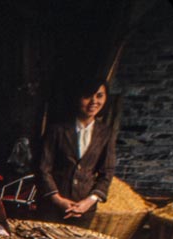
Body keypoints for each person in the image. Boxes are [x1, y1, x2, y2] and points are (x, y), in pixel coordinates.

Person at [37, 78, 116, 227]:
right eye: (88, 96)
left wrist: (89, 201)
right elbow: (43, 168)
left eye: (99, 96)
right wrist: (57, 198)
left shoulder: (106, 133)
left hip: (83, 209)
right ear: (77, 98)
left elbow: (107, 172)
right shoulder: (57, 129)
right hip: (52, 206)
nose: (94, 101)